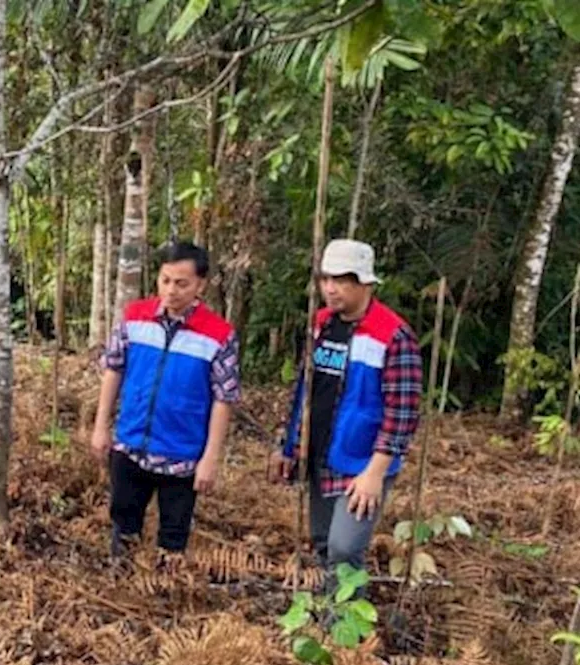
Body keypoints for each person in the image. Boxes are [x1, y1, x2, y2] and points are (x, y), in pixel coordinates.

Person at [268, 239, 422, 590]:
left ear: (365, 284)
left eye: (342, 280)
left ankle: (348, 630)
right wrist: (288, 445)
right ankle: (328, 615)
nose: (331, 289)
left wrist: (374, 473)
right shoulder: (320, 324)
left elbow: (402, 413)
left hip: (361, 461)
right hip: (319, 452)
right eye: (326, 279)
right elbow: (306, 391)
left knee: (345, 545)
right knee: (323, 541)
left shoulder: (393, 336)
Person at [90, 241, 241, 561]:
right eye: (165, 280)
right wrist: (101, 425)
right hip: (131, 443)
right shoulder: (134, 317)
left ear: (201, 285)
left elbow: (223, 398)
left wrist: (210, 457)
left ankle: (166, 596)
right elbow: (113, 369)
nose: (171, 290)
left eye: (182, 283)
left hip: (182, 453)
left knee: (173, 538)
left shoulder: (219, 334)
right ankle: (124, 585)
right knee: (123, 526)